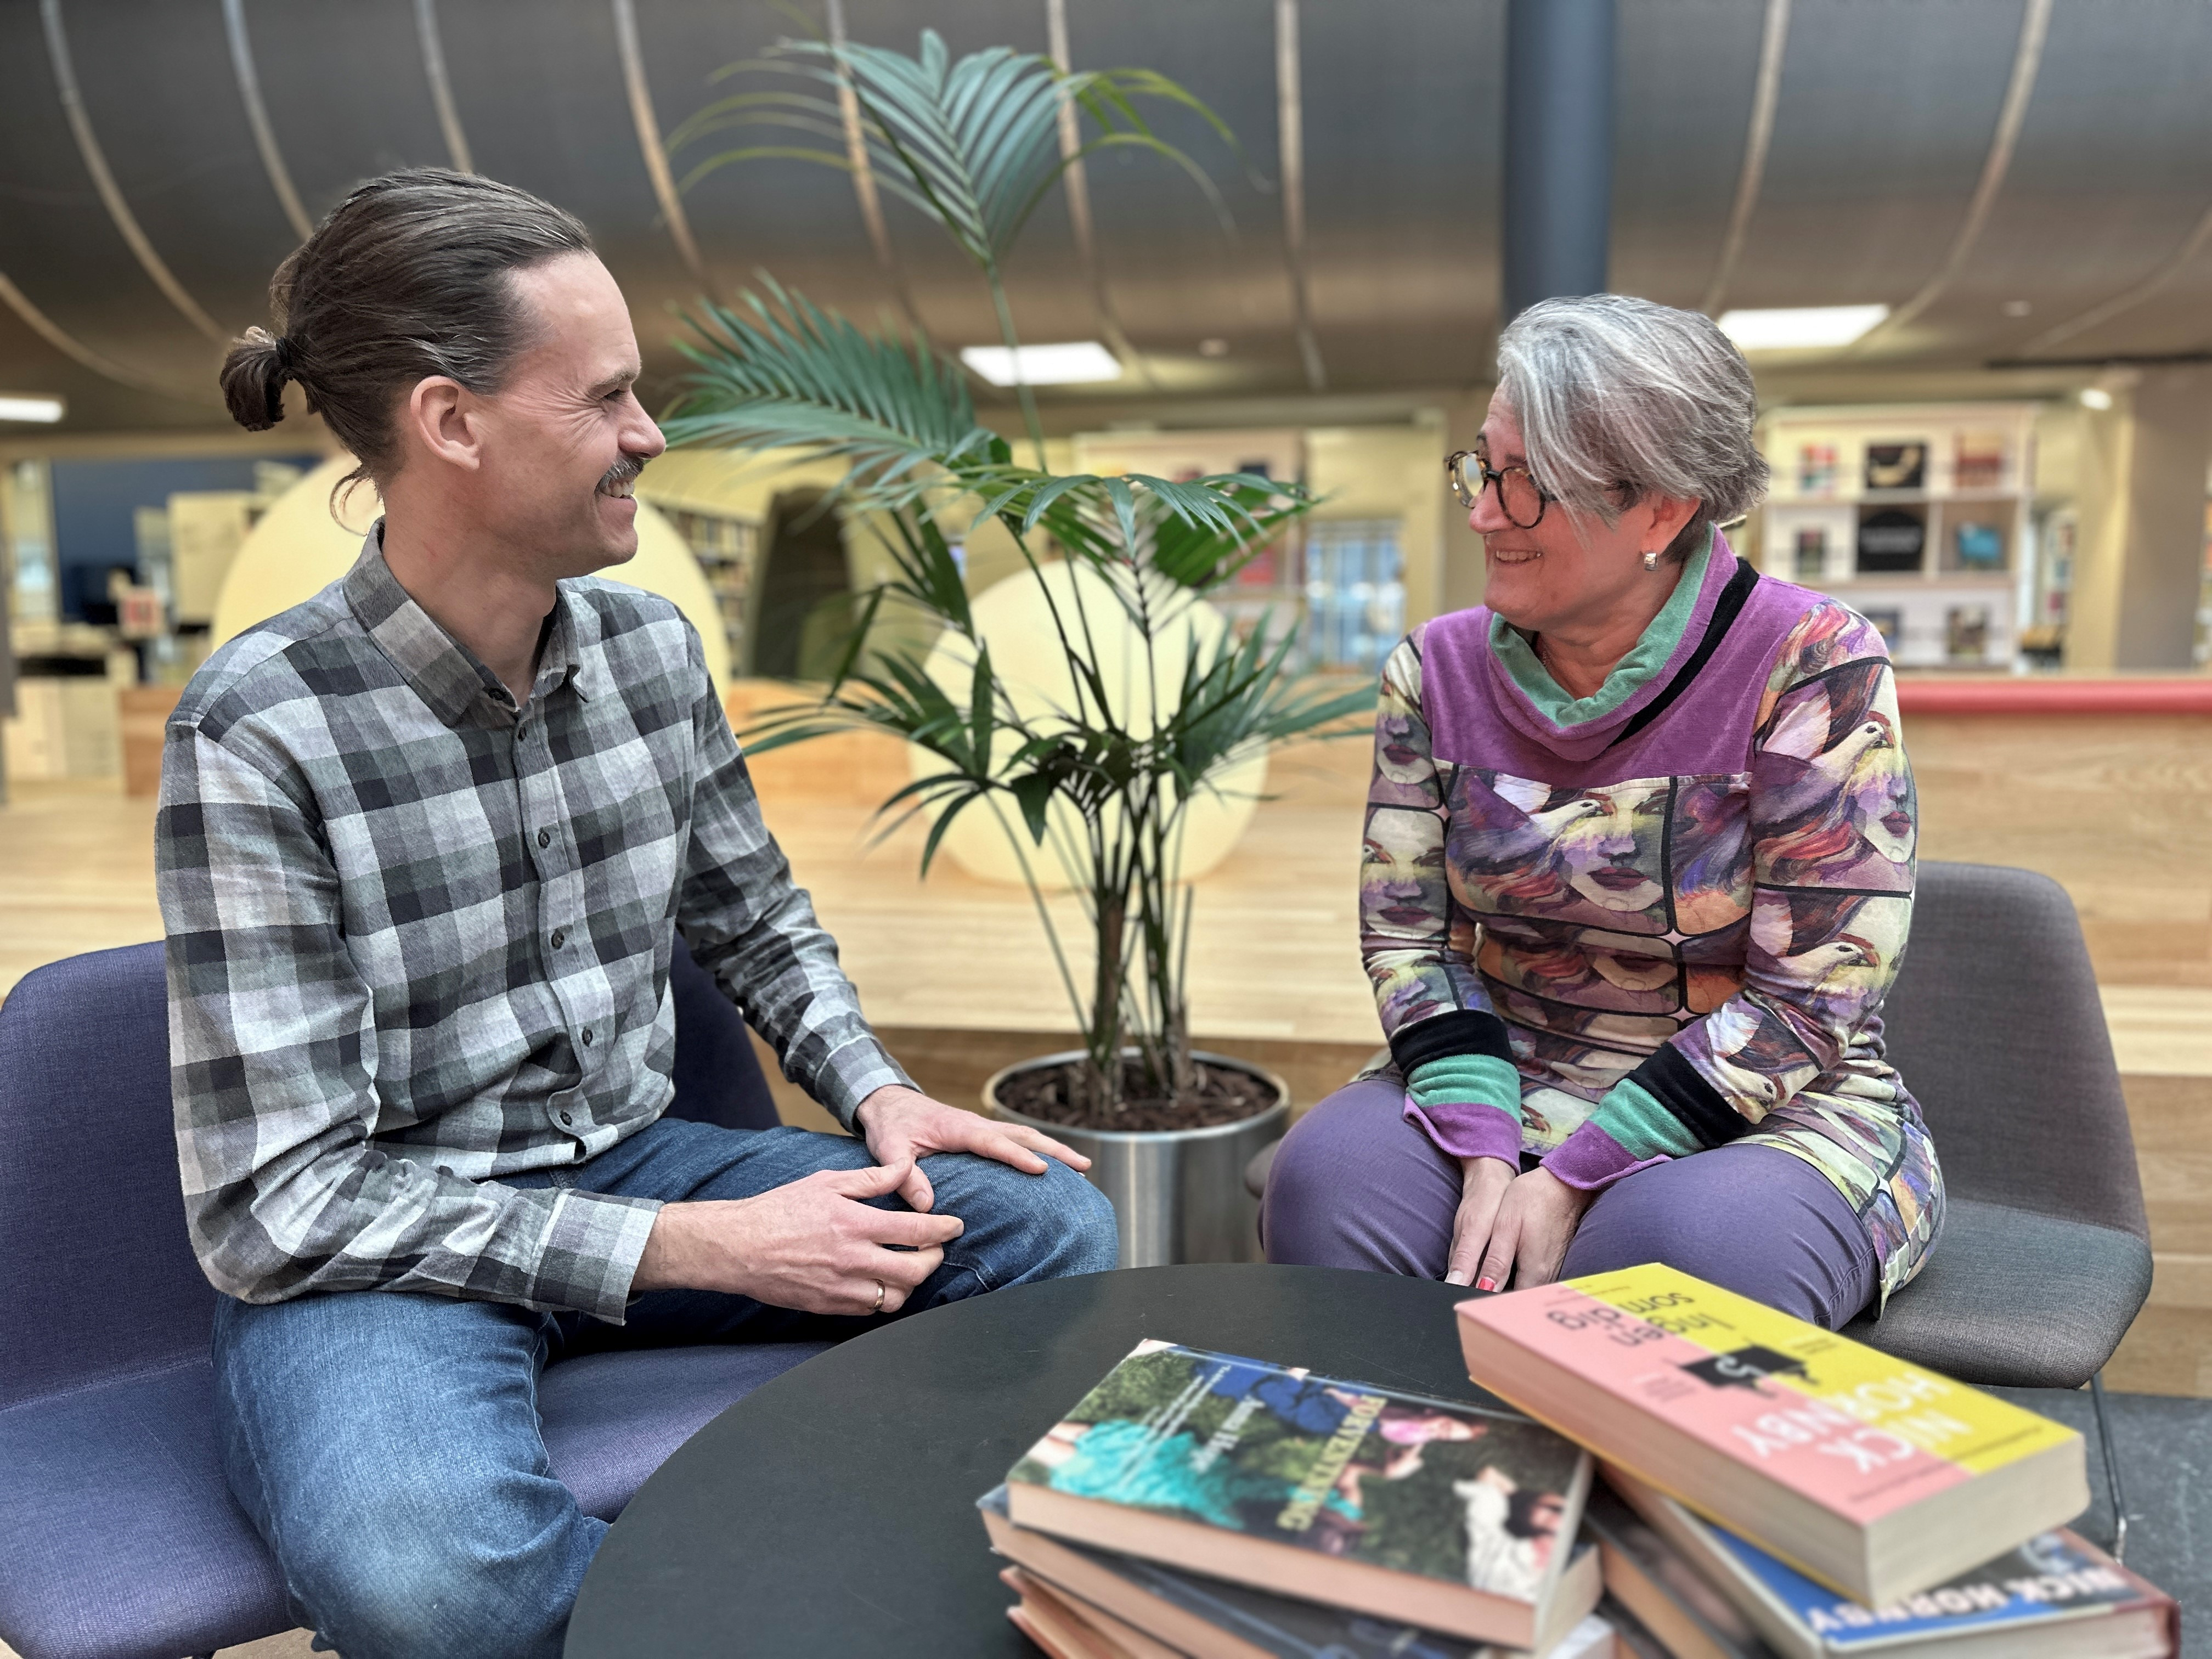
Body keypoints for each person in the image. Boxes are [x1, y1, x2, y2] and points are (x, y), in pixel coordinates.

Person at [158, 168, 1117, 1659]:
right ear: (451, 423)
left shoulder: (651, 654)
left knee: (1048, 1221)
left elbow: (754, 917)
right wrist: (698, 1249)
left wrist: (875, 1091)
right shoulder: (257, 728)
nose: (649, 436)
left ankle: (849, 1584)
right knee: (427, 1575)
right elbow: (278, 1207)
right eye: (605, 399)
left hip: (635, 1155)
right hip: (393, 1242)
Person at [1262, 293, 1939, 1330]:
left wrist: (1575, 1173)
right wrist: (1484, 1148)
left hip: (1764, 1110)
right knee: (1329, 1183)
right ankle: (1409, 1479)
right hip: (1502, 1070)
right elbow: (1408, 938)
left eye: (1526, 484)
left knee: (1678, 1260)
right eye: (1482, 469)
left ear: (1662, 509)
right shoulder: (1433, 671)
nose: (1485, 511)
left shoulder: (1812, 662)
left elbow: (1814, 999)